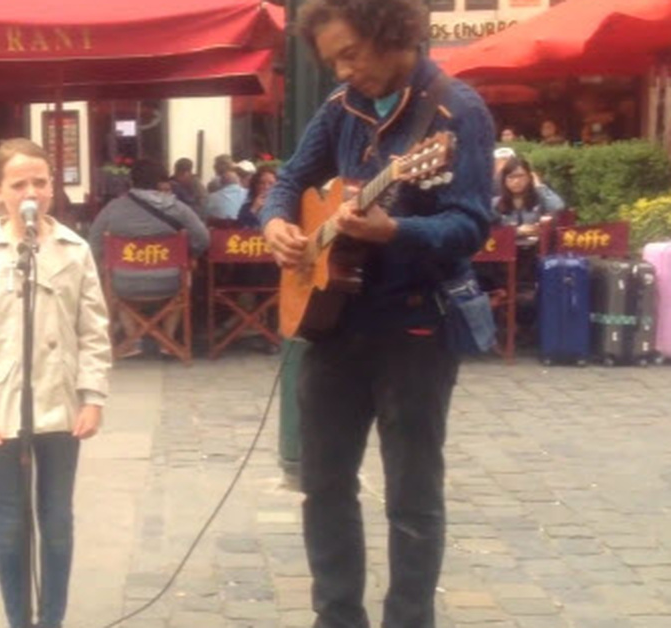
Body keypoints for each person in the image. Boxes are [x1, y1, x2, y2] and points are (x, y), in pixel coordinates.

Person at [258, 1, 493, 627]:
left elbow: (470, 224)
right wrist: (277, 222)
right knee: (324, 484)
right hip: (334, 326)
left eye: (351, 55)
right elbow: (289, 180)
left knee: (412, 499)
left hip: (416, 326)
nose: (343, 71)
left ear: (393, 34)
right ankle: (337, 618)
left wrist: (398, 231)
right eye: (333, 60)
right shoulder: (340, 108)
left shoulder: (457, 112)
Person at [0, 138, 112, 628]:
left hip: (61, 400)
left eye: (40, 182)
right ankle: (19, 620)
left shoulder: (74, 248)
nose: (32, 191)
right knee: (12, 519)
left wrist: (94, 396)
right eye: (19, 183)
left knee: (57, 520)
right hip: (3, 402)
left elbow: (94, 329)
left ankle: (52, 618)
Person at [88, 159, 209, 357]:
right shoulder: (177, 208)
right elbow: (203, 239)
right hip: (171, 282)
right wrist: (191, 255)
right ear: (161, 181)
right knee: (185, 278)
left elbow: (93, 241)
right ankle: (168, 341)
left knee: (109, 280)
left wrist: (104, 262)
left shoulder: (113, 208)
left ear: (131, 181)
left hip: (123, 283)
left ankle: (132, 340)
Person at [493, 155, 565, 234]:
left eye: (521, 176)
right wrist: (516, 231)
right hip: (507, 245)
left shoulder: (540, 198)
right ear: (504, 180)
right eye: (511, 177)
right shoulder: (495, 203)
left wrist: (539, 186)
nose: (516, 181)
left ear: (529, 177)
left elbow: (558, 206)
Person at [237, 164, 277, 229]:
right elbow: (240, 227)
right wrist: (253, 209)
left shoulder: (282, 206)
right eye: (262, 183)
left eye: (271, 183)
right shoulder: (247, 206)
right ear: (255, 185)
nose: (266, 187)